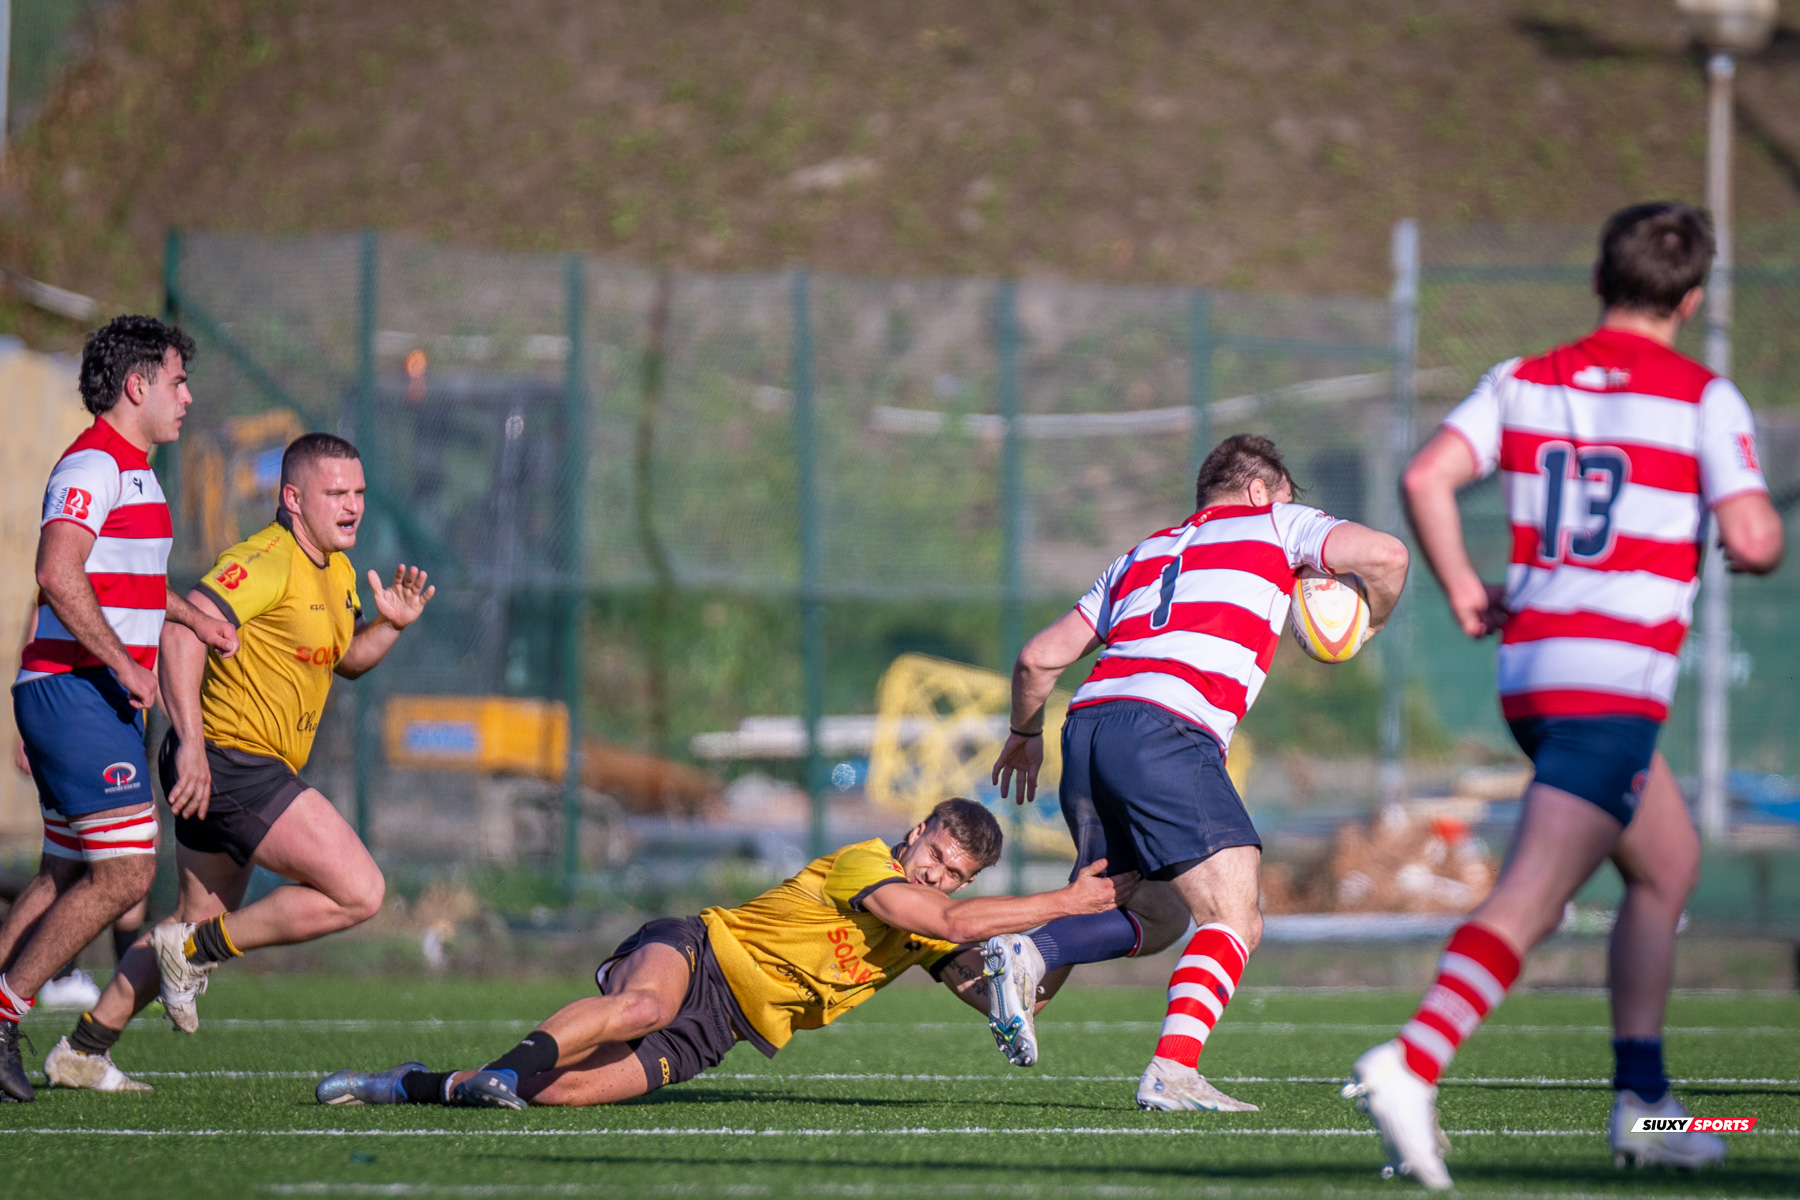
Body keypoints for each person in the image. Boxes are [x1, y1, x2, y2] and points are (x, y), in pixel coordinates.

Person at [1343, 202, 1784, 1189]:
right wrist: (1741, 535)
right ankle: (1412, 1063)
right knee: (1533, 898)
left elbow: (1428, 476)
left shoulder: (1524, 380)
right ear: (1695, 298)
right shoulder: (1704, 398)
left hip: (1534, 670)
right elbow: (1755, 538)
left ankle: (1644, 1105)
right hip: (1611, 681)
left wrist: (1465, 588)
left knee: (1667, 864)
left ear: (1598, 282)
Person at [983, 434, 1410, 1113]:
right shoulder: (1278, 523)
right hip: (1166, 729)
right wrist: (1372, 622)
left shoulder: (1140, 554)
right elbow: (1387, 555)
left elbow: (1038, 659)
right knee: (1235, 914)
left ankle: (1034, 950)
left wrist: (1022, 734)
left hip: (1089, 729)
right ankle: (1173, 1072)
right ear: (1263, 490)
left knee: (1148, 912)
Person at [44, 432, 435, 1093]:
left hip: (240, 764)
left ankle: (83, 1050)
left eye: (359, 493)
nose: (352, 506)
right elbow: (178, 630)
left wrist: (390, 625)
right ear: (292, 498)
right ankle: (192, 953)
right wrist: (192, 745)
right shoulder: (266, 559)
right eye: (336, 493)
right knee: (360, 892)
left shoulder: (337, 571)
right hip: (229, 761)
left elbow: (345, 662)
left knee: (189, 921)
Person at [314, 799, 1135, 1109]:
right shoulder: (868, 864)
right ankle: (499, 1067)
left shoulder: (931, 925)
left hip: (724, 1030)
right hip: (700, 951)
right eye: (937, 858)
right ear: (917, 832)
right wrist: (1062, 902)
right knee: (642, 1006)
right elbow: (951, 925)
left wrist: (1058, 948)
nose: (939, 875)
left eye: (957, 874)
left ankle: (414, 1084)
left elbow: (1001, 991)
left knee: (559, 1096)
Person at [0, 316, 239, 1102]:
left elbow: (115, 579)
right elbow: (58, 571)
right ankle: (4, 1014)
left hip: (95, 692)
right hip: (73, 689)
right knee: (130, 872)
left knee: (63, 872)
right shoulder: (93, 464)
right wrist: (123, 666)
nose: (187, 396)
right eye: (176, 381)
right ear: (136, 385)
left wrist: (186, 615)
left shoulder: (138, 472)